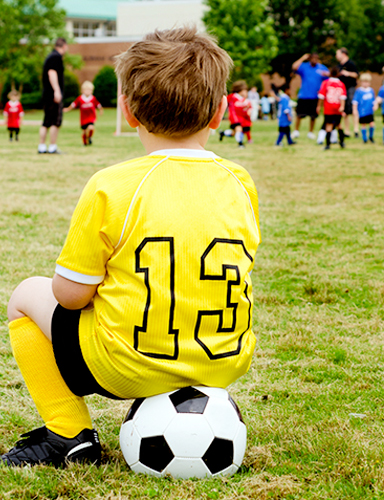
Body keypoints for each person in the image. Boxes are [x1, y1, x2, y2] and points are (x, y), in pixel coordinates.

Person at [2, 26, 261, 468]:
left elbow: (69, 296)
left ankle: (68, 434)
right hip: (224, 360)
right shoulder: (240, 182)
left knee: (27, 295)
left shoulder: (112, 185)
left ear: (129, 111)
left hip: (126, 365)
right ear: (220, 113)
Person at [38, 37, 68, 154]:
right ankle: (52, 147)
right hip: (52, 95)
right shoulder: (56, 57)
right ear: (64, 46)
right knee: (55, 121)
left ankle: (41, 147)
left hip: (47, 94)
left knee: (46, 121)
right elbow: (52, 73)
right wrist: (57, 90)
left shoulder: (50, 56)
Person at [291, 53, 329, 140]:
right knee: (299, 115)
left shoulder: (321, 68)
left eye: (316, 59)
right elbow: (294, 67)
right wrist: (303, 57)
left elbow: (330, 77)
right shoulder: (304, 66)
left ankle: (310, 132)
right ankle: (296, 131)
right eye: (313, 58)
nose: (314, 60)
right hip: (304, 95)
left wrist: (326, 75)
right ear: (310, 59)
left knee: (313, 116)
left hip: (315, 96)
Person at [63, 81, 103, 146]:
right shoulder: (80, 98)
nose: (88, 91)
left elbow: (99, 105)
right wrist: (67, 109)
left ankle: (89, 137)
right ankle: (85, 142)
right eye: (86, 90)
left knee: (91, 128)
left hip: (91, 117)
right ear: (82, 91)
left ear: (92, 91)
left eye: (89, 90)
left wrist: (101, 111)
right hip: (83, 118)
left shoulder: (93, 98)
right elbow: (73, 105)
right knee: (84, 132)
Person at [317, 66, 346, 150]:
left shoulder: (326, 83)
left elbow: (321, 96)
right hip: (338, 108)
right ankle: (342, 142)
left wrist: (319, 106)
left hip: (328, 108)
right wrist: (342, 106)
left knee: (328, 126)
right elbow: (343, 97)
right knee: (339, 125)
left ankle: (328, 144)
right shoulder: (341, 84)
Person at [336, 47, 359, 138]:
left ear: (343, 54)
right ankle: (347, 131)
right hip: (342, 90)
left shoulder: (351, 64)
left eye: (337, 54)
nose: (336, 56)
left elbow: (356, 74)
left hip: (350, 89)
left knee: (353, 109)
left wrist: (347, 73)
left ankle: (356, 130)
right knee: (344, 111)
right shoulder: (338, 66)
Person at [219, 80, 249, 147]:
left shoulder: (241, 99)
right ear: (240, 90)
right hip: (234, 117)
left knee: (234, 133)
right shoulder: (233, 96)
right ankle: (240, 144)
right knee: (239, 129)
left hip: (239, 117)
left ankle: (223, 133)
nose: (245, 92)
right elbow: (224, 100)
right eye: (244, 90)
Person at [352, 73, 377, 144]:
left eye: (367, 82)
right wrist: (354, 110)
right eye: (364, 82)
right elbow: (355, 102)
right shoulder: (359, 91)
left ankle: (371, 137)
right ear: (361, 82)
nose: (365, 84)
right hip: (362, 112)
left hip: (370, 111)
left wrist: (375, 105)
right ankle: (364, 138)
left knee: (372, 124)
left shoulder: (371, 90)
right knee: (363, 124)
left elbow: (374, 100)